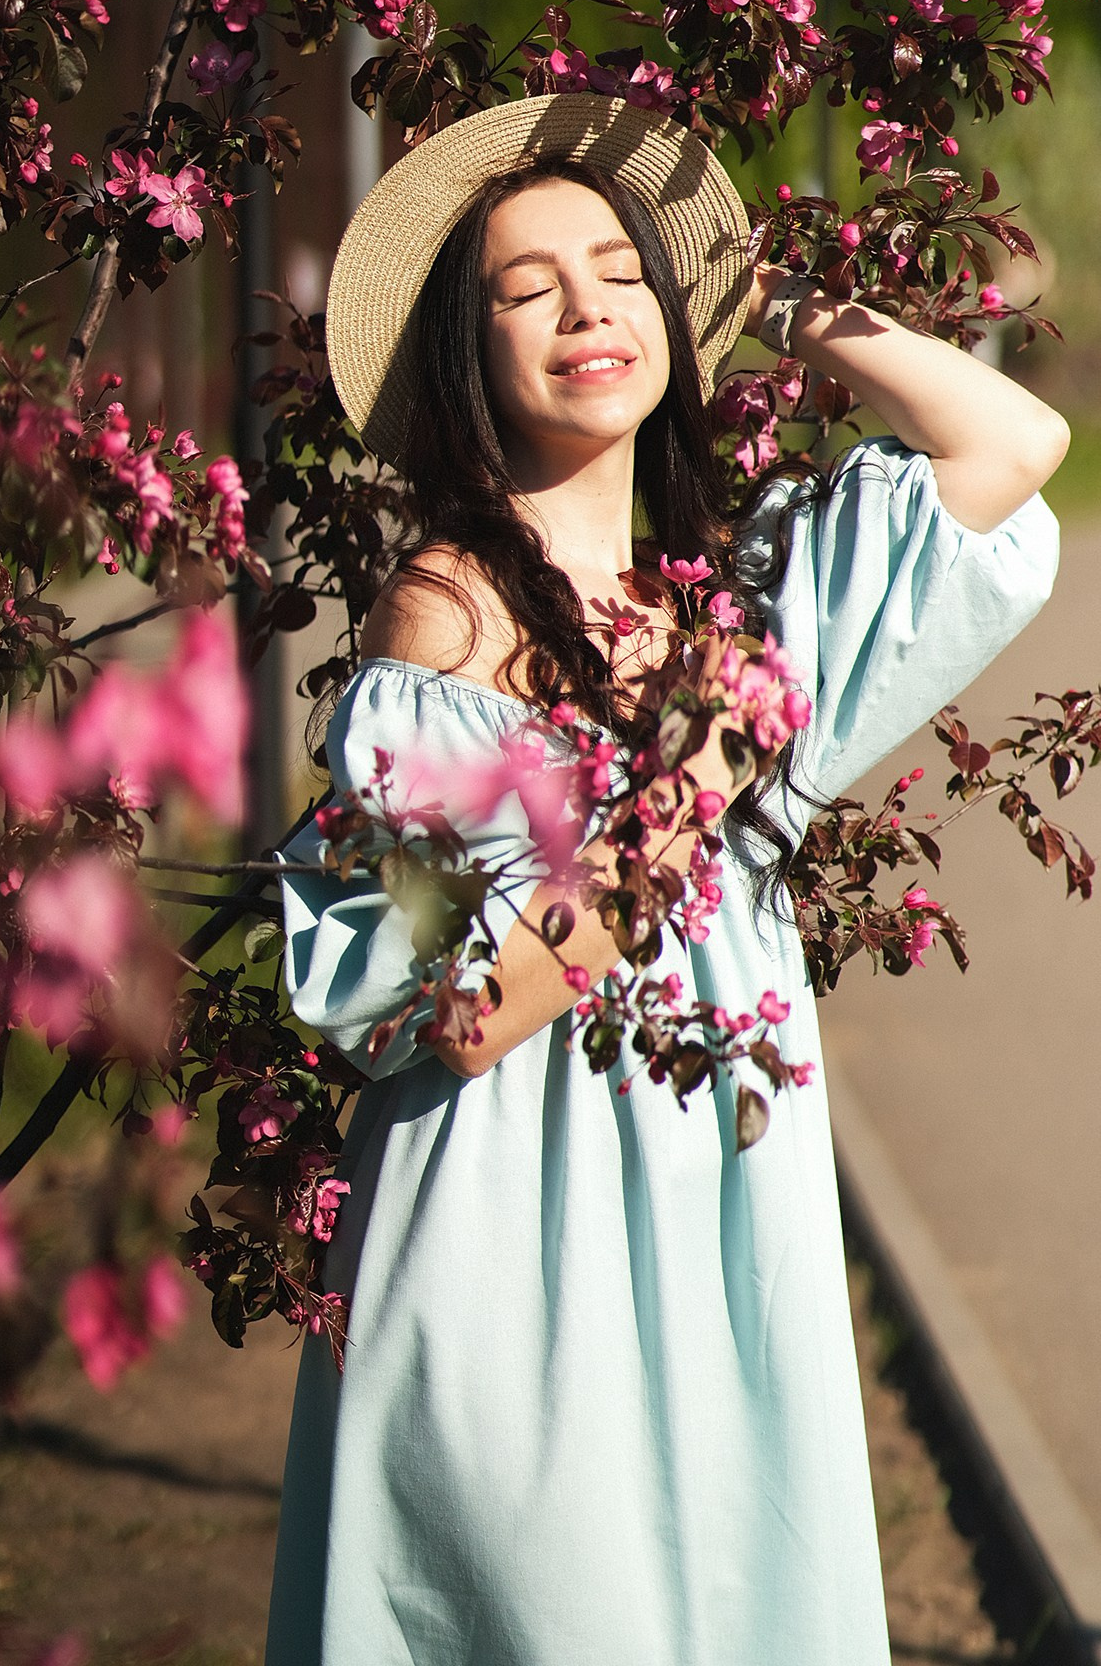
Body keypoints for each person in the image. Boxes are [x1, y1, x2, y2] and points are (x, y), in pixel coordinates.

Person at [264, 93, 1068, 1666]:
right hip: (517, 1250)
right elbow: (461, 1013)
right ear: (470, 349)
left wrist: (771, 300)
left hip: (723, 1233)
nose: (588, 309)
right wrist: (690, 784)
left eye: (624, 272)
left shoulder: (738, 602)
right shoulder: (447, 620)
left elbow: (1013, 446)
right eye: (529, 288)